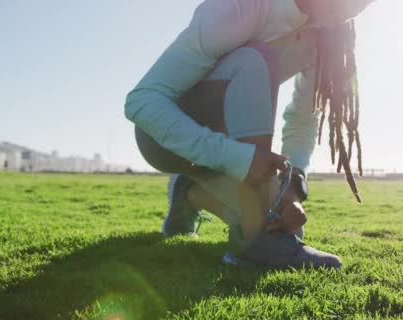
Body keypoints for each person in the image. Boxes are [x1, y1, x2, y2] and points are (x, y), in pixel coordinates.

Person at [124, 0, 373, 269]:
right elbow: (142, 101)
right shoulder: (243, 6)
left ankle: (190, 191)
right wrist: (239, 158)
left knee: (285, 226)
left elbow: (303, 121)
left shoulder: (329, 38)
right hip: (162, 141)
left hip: (227, 146)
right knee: (254, 58)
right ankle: (253, 240)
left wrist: (292, 186)